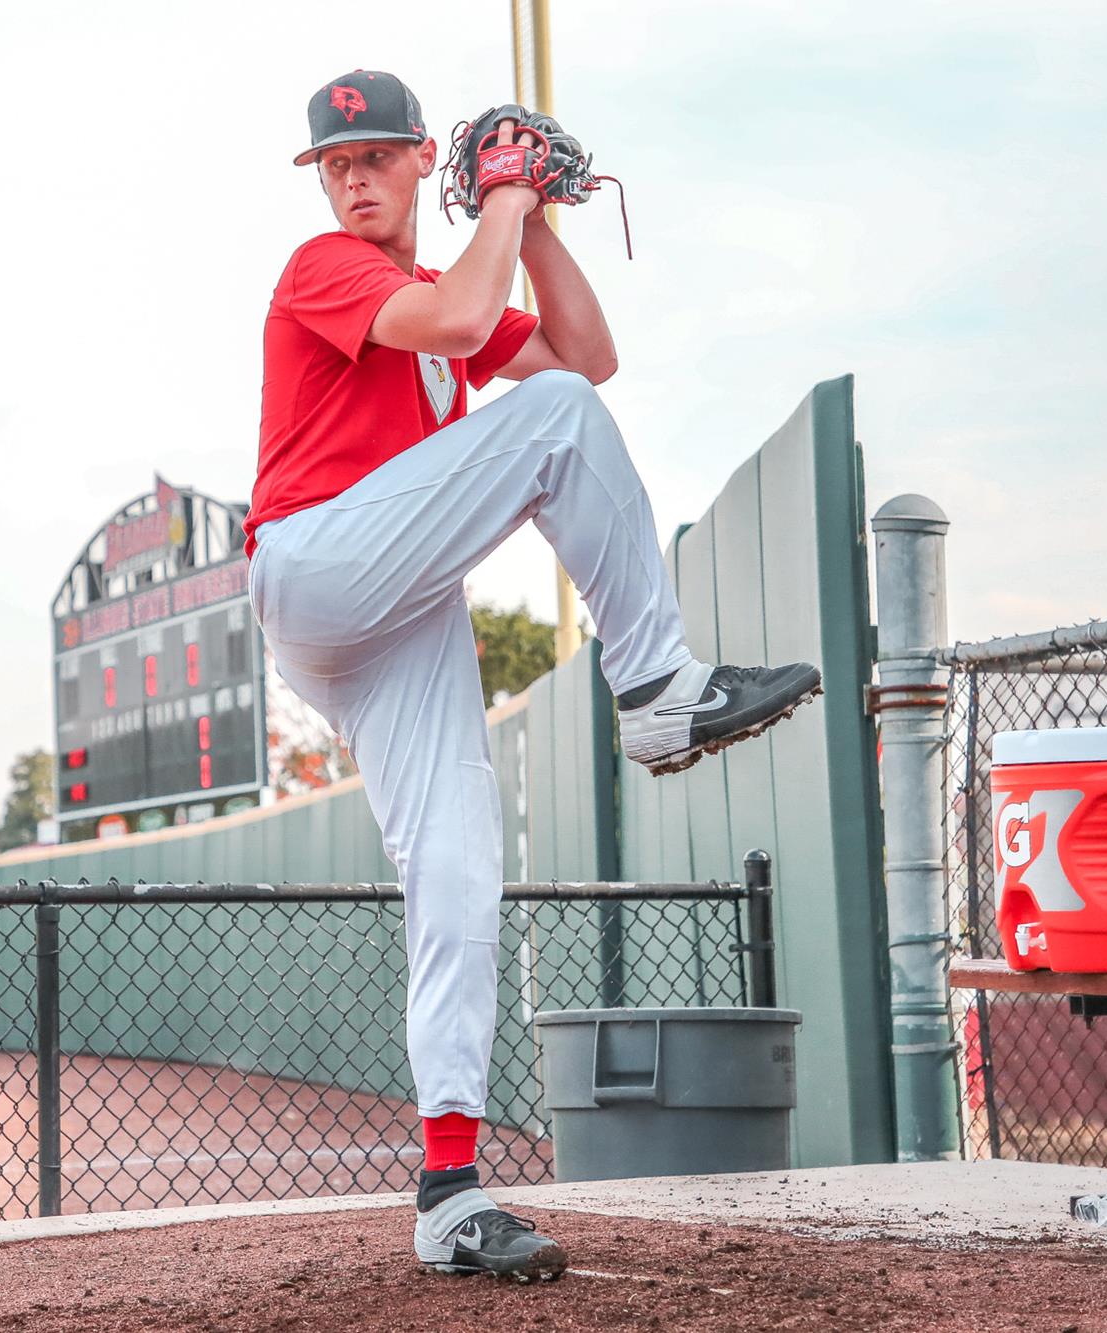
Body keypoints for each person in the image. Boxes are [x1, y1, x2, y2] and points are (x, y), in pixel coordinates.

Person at [245, 70, 822, 1281]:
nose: (351, 178)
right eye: (333, 163)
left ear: (414, 164)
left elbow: (588, 354)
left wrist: (537, 219)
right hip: (314, 564)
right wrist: (499, 199)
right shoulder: (324, 269)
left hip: (394, 607)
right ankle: (657, 687)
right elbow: (464, 327)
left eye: (372, 156)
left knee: (457, 871)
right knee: (548, 416)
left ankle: (447, 1189)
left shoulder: (442, 274)